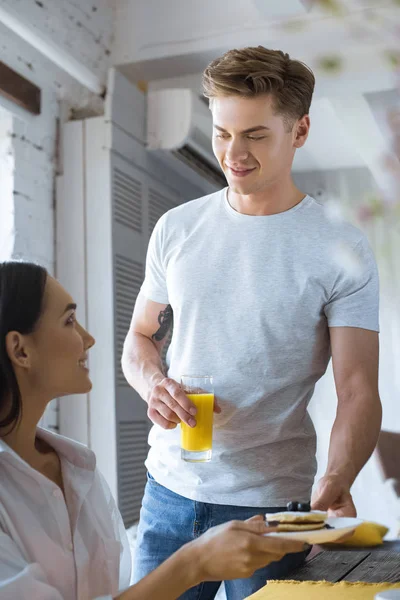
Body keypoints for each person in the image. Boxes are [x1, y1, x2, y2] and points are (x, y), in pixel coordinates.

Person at [122, 46, 382, 599]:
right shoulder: (176, 229)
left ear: (300, 129)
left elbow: (357, 388)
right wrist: (154, 383)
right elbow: (140, 338)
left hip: (273, 506)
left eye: (255, 135)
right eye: (221, 133)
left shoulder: (341, 248)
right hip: (168, 490)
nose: (233, 153)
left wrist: (336, 479)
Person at [0, 260, 305, 600]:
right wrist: (195, 562)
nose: (89, 338)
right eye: (69, 321)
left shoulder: (78, 469)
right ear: (20, 350)